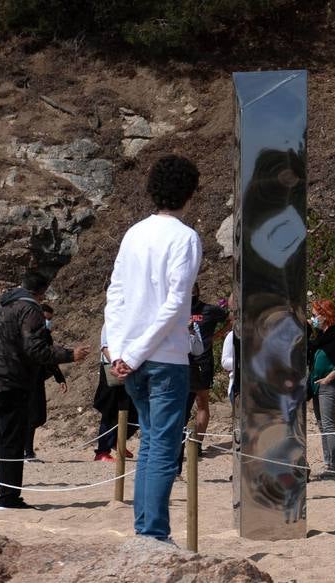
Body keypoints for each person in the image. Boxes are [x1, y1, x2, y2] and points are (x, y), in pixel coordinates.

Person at [103, 154, 203, 542]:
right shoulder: (185, 237)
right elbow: (176, 304)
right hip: (163, 357)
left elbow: (116, 294)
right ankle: (153, 532)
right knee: (161, 446)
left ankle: (146, 528)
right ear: (189, 192)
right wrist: (136, 351)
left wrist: (116, 349)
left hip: (130, 357)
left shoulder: (133, 233)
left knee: (147, 443)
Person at [0, 270, 88, 510]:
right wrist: (69, 355)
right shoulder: (30, 310)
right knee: (11, 440)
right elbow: (35, 348)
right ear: (40, 293)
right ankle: (8, 498)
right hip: (12, 382)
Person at [309, 297, 335, 476]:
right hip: (317, 385)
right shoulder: (322, 337)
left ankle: (334, 466)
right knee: (321, 425)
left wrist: (328, 378)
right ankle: (328, 464)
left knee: (328, 424)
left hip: (329, 385)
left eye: (316, 315)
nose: (314, 318)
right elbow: (310, 347)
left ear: (325, 315)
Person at [23, 303, 67, 460]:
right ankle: (27, 451)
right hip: (25, 379)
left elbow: (50, 356)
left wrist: (59, 378)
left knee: (39, 416)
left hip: (38, 378)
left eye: (50, 320)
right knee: (31, 415)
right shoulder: (26, 333)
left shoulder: (46, 335)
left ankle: (26, 449)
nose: (48, 322)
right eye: (46, 319)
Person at [187, 286, 230, 446]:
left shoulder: (208, 310)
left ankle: (197, 444)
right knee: (182, 403)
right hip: (182, 362)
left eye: (192, 291)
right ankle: (181, 443)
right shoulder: (177, 309)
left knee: (201, 401)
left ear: (197, 292)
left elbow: (230, 318)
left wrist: (216, 336)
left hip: (202, 362)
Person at [93, 323, 138, 461]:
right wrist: (117, 363)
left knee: (133, 411)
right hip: (112, 369)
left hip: (130, 368)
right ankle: (102, 450)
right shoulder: (111, 321)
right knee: (110, 410)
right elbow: (105, 346)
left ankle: (118, 442)